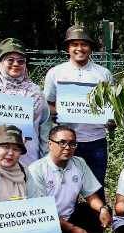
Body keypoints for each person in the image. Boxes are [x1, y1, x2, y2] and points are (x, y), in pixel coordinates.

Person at [43, 24, 112, 186]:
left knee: (96, 184)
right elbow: (47, 104)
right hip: (64, 141)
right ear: (68, 47)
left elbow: (110, 107)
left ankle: (97, 211)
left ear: (90, 48)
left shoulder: (103, 74)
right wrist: (63, 111)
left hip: (96, 140)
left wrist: (110, 119)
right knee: (62, 185)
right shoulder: (56, 73)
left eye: (84, 44)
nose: (79, 48)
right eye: (74, 44)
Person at [28, 125, 112, 233]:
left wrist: (103, 209)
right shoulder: (36, 169)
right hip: (46, 220)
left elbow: (91, 196)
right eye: (62, 143)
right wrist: (71, 228)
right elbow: (42, 212)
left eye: (72, 144)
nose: (67, 147)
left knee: (100, 212)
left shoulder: (79, 163)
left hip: (70, 215)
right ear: (50, 144)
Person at [0, 38, 52, 167]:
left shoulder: (35, 91)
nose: (16, 64)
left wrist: (46, 157)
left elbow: (45, 125)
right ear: (0, 62)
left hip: (28, 155)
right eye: (10, 60)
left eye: (21, 61)